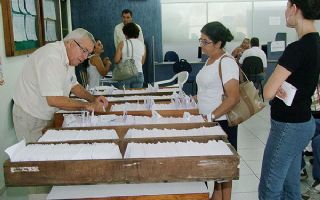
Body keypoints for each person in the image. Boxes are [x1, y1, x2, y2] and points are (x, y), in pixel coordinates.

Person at [259, 0, 320, 199]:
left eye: (287, 6)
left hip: (288, 126)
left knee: (269, 187)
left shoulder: (298, 48)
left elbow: (267, 92)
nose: (285, 11)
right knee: (290, 186)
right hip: (303, 122)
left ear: (294, 8)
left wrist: (277, 88)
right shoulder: (316, 44)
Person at [13, 28, 108, 143]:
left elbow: (73, 85)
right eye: (84, 50)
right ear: (71, 43)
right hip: (31, 116)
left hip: (45, 113)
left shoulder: (69, 58)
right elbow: (54, 100)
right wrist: (87, 105)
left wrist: (93, 99)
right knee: (33, 155)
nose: (84, 57)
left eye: (88, 53)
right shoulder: (51, 57)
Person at [195, 21, 240, 200]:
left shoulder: (226, 62)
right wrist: (193, 100)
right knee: (213, 171)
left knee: (223, 172)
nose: (202, 45)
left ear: (218, 43)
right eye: (201, 40)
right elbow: (208, 90)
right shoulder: (209, 60)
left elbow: (233, 97)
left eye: (205, 42)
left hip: (220, 123)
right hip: (208, 122)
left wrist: (211, 116)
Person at [114, 22, 146, 89]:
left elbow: (116, 60)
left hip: (125, 74)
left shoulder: (122, 44)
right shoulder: (143, 45)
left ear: (125, 33)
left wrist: (123, 59)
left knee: (125, 98)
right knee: (137, 98)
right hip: (139, 74)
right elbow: (142, 62)